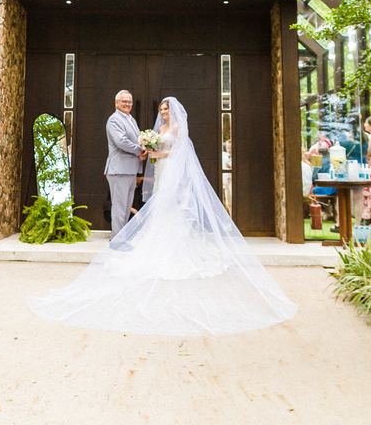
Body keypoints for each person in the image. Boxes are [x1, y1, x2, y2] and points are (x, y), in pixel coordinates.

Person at [29, 96, 298, 336]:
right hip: (160, 171)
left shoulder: (177, 128)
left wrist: (156, 152)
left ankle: (170, 244)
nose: (164, 112)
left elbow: (180, 152)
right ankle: (131, 239)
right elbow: (136, 146)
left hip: (172, 171)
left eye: (167, 109)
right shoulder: (153, 128)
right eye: (161, 109)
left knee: (170, 207)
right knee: (155, 206)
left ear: (174, 111)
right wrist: (150, 152)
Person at [104, 89, 146, 237]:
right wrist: (139, 150)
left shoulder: (131, 119)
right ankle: (116, 240)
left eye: (130, 101)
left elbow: (137, 140)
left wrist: (144, 148)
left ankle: (122, 237)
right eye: (124, 101)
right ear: (116, 103)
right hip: (119, 169)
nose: (127, 104)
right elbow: (121, 142)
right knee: (119, 207)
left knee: (126, 207)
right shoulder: (114, 120)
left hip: (131, 169)